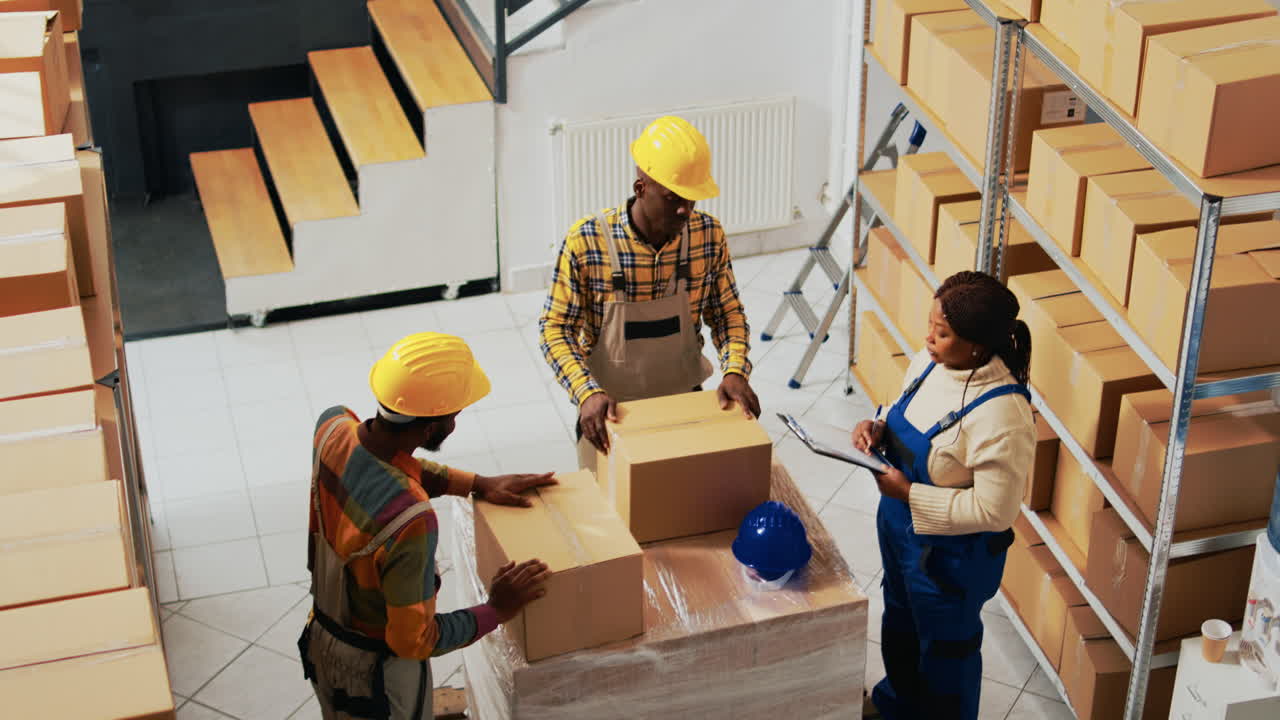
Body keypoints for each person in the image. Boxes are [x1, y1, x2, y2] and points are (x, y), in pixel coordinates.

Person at [300, 332, 556, 720]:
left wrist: (477, 484)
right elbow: (413, 641)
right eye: (453, 415)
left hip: (323, 637)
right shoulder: (412, 521)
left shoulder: (333, 425)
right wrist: (497, 609)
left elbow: (388, 465)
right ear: (434, 428)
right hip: (376, 677)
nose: (455, 422)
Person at [852, 271, 1035, 720]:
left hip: (950, 557)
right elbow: (902, 407)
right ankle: (896, 705)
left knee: (944, 651)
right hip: (900, 532)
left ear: (976, 344)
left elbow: (996, 510)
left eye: (942, 333)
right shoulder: (931, 362)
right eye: (931, 326)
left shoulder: (1004, 414)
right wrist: (876, 425)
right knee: (899, 623)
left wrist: (910, 493)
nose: (928, 338)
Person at [538, 115, 761, 470]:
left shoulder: (707, 236)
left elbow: (727, 314)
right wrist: (585, 392)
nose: (684, 210)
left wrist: (735, 371)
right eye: (673, 198)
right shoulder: (587, 241)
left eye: (692, 199)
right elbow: (555, 329)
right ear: (640, 188)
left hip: (684, 406)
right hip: (610, 414)